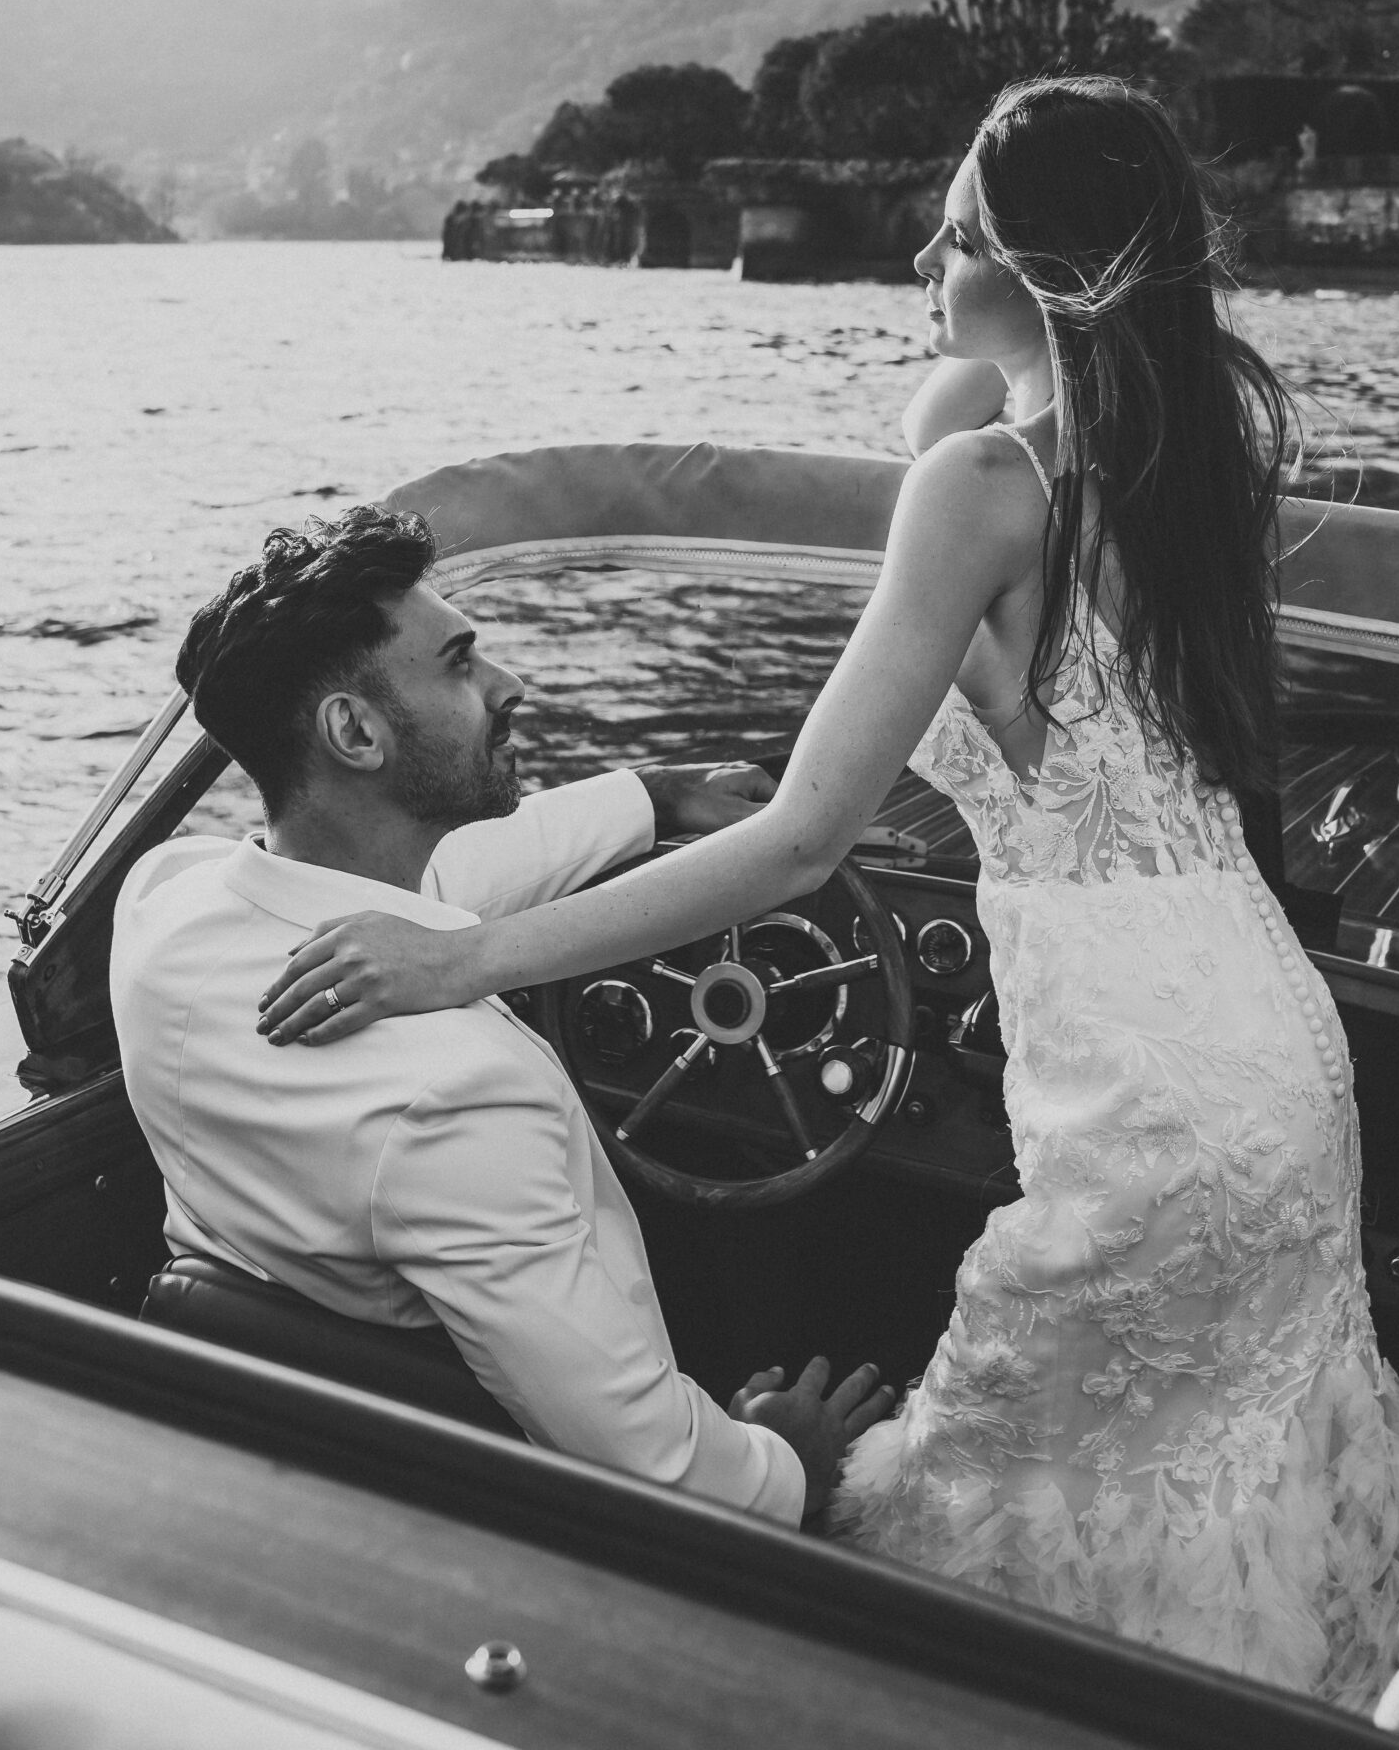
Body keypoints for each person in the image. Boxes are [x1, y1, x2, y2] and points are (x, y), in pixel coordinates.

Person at [259, 76, 1399, 1707]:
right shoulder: (1192, 454)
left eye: (951, 232)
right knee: (1215, 1484)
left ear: (1035, 269)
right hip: (1265, 1050)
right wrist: (994, 331)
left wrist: (461, 960)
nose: (917, 260)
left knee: (1014, 1517)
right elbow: (972, 419)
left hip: (1145, 1094)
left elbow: (798, 842)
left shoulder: (980, 489)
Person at [111, 507, 891, 1526]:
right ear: (355, 731)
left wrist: (650, 798)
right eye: (462, 662)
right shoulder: (458, 1092)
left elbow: (449, 883)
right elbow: (652, 1468)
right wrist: (788, 1454)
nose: (507, 685)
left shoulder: (163, 906)